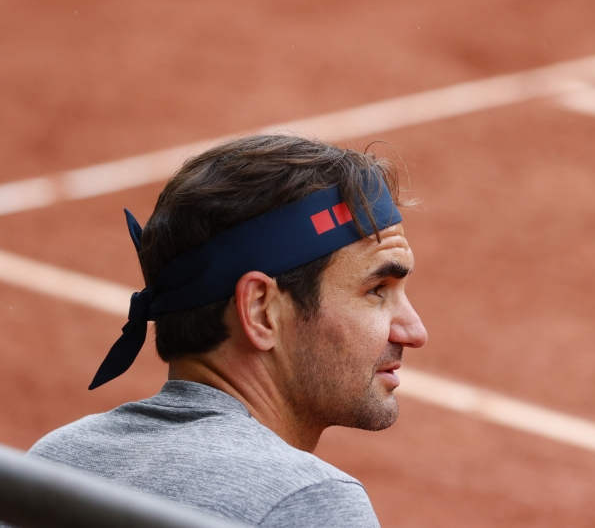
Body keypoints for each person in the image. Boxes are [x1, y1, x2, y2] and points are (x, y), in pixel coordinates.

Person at [22, 135, 428, 527]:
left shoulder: (55, 462)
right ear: (259, 310)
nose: (415, 330)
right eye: (377, 290)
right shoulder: (309, 503)